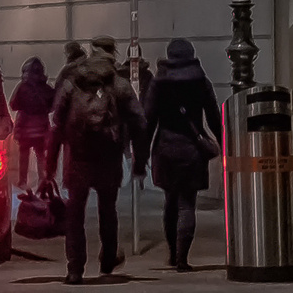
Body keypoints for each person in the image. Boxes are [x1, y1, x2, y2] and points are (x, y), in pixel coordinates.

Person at [45, 36, 147, 285]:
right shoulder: (119, 84)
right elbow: (139, 123)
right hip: (108, 158)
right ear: (113, 53)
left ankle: (75, 269)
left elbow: (56, 124)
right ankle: (108, 259)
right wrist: (139, 161)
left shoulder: (72, 82)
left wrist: (49, 167)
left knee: (75, 214)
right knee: (107, 209)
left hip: (77, 158)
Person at [142, 39, 222, 272]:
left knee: (170, 202)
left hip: (165, 149)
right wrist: (225, 142)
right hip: (192, 151)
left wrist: (140, 155)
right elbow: (214, 116)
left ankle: (171, 252)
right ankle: (182, 259)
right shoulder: (201, 81)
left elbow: (149, 120)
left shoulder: (159, 83)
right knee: (188, 205)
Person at [9, 57, 55, 191]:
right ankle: (42, 179)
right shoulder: (46, 87)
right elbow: (52, 105)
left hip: (25, 127)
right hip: (41, 127)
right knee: (41, 155)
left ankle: (23, 180)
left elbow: (13, 104)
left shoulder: (22, 87)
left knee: (24, 155)